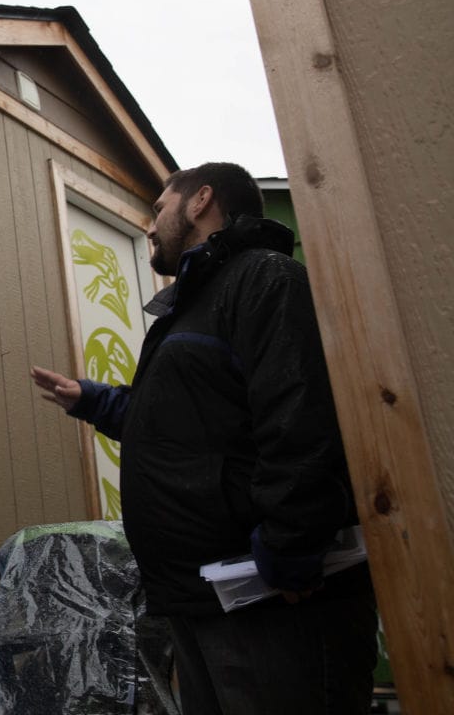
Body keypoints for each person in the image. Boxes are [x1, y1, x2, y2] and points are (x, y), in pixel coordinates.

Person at [32, 162, 378, 714]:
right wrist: (92, 398)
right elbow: (174, 428)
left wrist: (289, 552)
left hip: (272, 602)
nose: (149, 226)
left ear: (201, 202)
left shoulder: (266, 279)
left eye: (158, 208)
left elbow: (301, 417)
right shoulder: (185, 313)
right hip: (199, 599)